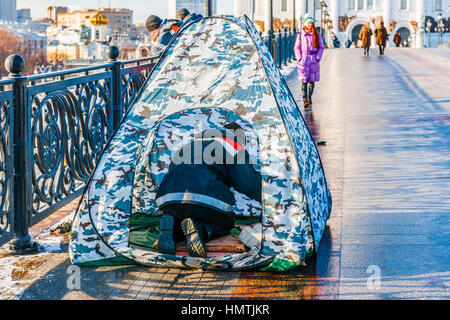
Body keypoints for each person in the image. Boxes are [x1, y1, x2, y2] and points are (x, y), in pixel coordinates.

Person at [155, 129, 262, 257]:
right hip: (204, 199)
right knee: (226, 224)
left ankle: (173, 230)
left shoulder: (187, 147)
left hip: (168, 201)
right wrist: (270, 200)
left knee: (184, 216)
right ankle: (202, 230)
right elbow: (248, 183)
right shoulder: (230, 146)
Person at [294, 15, 324, 109]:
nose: (310, 25)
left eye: (312, 23)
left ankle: (309, 97)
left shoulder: (317, 34)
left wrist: (317, 57)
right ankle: (304, 100)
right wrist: (299, 58)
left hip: (313, 60)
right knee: (304, 81)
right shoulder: (301, 35)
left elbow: (321, 47)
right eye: (309, 23)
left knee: (312, 81)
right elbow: (297, 47)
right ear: (305, 24)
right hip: (304, 60)